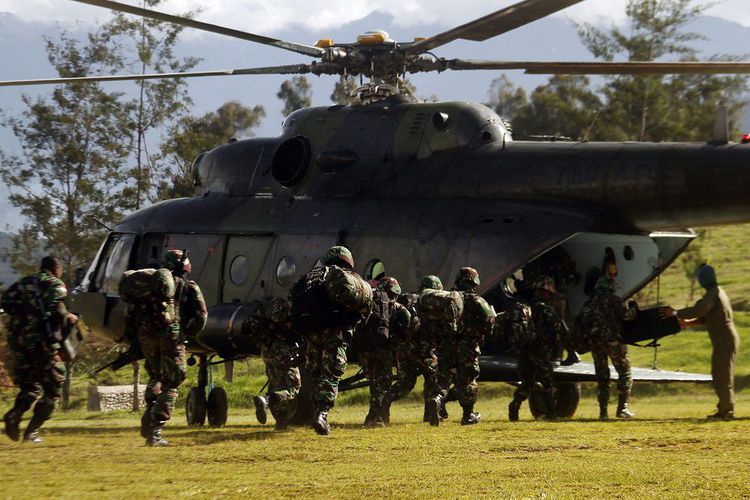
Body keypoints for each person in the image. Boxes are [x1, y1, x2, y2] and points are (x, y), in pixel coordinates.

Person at [290, 246, 369, 435]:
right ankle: (322, 415)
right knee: (331, 374)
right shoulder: (345, 278)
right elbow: (364, 306)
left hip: (311, 333)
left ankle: (316, 413)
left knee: (316, 374)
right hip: (335, 333)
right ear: (348, 261)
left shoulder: (312, 277)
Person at [2, 256, 78, 443]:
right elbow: (59, 311)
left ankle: (14, 414)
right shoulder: (55, 284)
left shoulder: (23, 283)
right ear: (56, 268)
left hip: (20, 343)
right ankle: (32, 432)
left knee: (30, 386)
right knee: (54, 387)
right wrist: (70, 318)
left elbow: (6, 303)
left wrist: (24, 319)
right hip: (43, 344)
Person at [138, 249, 206, 446]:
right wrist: (189, 334)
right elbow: (201, 316)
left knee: (155, 376)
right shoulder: (187, 286)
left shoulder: (149, 284)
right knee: (174, 380)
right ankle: (156, 431)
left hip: (147, 336)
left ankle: (149, 414)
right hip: (171, 337)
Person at [664, 264, 740, 419]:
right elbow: (707, 317)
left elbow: (699, 310)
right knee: (720, 374)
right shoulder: (718, 292)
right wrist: (688, 323)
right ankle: (724, 409)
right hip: (725, 338)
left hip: (724, 339)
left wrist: (675, 313)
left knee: (722, 376)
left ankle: (726, 411)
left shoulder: (713, 294)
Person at [430, 268, 494, 426]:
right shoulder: (477, 300)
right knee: (468, 380)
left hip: (446, 346)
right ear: (474, 281)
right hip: (467, 348)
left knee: (444, 378)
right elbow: (489, 321)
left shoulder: (448, 298)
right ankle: (468, 415)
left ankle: (437, 399)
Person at [579, 276, 636, 420]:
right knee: (625, 372)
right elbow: (627, 316)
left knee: (602, 377)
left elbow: (581, 320)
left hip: (595, 343)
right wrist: (633, 309)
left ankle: (603, 412)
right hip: (613, 342)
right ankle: (622, 408)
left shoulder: (589, 303)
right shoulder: (614, 300)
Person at [358, 276, 410, 427]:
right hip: (383, 350)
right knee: (383, 384)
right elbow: (407, 327)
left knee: (374, 384)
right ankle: (375, 418)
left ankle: (372, 417)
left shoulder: (368, 303)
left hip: (365, 350)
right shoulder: (397, 308)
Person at [248, 297, 301, 430]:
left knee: (277, 385)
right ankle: (266, 400)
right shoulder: (284, 309)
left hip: (266, 350)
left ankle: (281, 423)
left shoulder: (265, 307)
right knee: (294, 387)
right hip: (282, 350)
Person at [390, 285, 440, 423]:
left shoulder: (406, 299)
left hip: (402, 348)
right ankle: (430, 413)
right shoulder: (430, 302)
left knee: (405, 383)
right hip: (423, 349)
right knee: (432, 378)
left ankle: (383, 403)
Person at [524, 275, 562, 420]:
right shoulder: (547, 310)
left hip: (527, 351)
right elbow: (556, 331)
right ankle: (551, 414)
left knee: (527, 383)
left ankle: (516, 406)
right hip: (542, 352)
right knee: (547, 383)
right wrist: (555, 350)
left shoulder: (526, 308)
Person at [499, 299, 540, 422]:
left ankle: (516, 404)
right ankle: (516, 403)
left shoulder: (508, 314)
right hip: (525, 352)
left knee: (527, 381)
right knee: (528, 381)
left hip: (513, 352)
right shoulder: (527, 312)